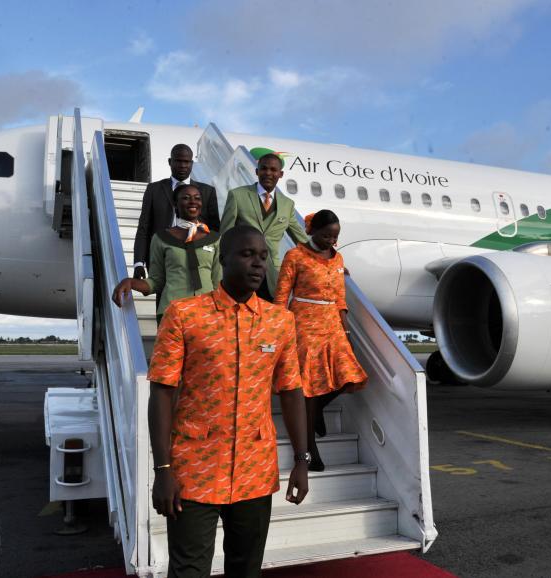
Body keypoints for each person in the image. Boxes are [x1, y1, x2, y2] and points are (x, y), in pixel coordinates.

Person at [147, 225, 311, 578]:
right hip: (193, 472)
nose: (257, 264)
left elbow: (292, 391)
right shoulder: (184, 314)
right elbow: (161, 392)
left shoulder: (280, 321)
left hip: (255, 471)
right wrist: (162, 470)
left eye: (264, 257)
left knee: (245, 569)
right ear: (222, 259)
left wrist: (301, 458)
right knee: (188, 570)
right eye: (247, 254)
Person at [274, 210, 367, 472]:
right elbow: (282, 296)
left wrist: (346, 331)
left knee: (350, 376)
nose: (331, 241)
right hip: (303, 323)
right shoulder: (295, 256)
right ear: (312, 231)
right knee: (309, 387)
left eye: (335, 237)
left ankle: (315, 414)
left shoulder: (338, 259)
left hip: (331, 323)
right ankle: (310, 451)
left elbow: (340, 297)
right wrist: (279, 329)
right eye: (326, 235)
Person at [112, 184, 220, 325]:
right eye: (186, 198)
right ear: (175, 204)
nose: (193, 201)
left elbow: (219, 283)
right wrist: (130, 282)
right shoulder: (161, 238)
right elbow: (156, 281)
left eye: (197, 198)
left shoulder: (215, 239)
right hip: (171, 313)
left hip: (207, 313)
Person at [219, 153, 309, 301]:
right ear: (257, 171)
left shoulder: (287, 204)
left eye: (273, 170)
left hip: (270, 273)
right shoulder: (238, 195)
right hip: (242, 270)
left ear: (280, 174)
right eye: (264, 168)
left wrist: (330, 259)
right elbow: (225, 235)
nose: (268, 173)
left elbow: (302, 239)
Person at [133, 144, 220, 281]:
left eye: (187, 162)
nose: (183, 165)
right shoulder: (154, 189)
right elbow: (144, 228)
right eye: (178, 161)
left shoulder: (207, 192)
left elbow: (215, 231)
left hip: (198, 259)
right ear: (170, 162)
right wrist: (139, 262)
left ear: (192, 163)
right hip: (162, 258)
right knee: (164, 300)